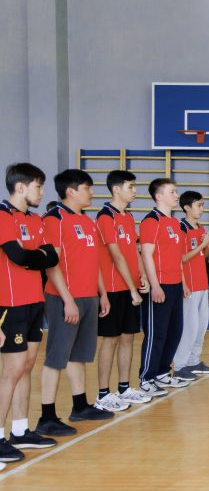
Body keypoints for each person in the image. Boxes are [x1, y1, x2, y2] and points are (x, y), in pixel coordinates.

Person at [37, 169, 113, 437]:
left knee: (78, 354)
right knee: (56, 357)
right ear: (71, 191)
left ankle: (80, 406)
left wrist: (102, 293)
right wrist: (67, 299)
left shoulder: (87, 221)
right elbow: (51, 264)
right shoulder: (54, 219)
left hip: (88, 296)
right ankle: (46, 416)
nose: (91, 193)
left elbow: (94, 262)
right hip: (64, 298)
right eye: (87, 188)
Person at [0, 163, 59, 460]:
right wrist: (34, 256)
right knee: (12, 370)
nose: (42, 192)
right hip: (9, 304)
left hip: (34, 301)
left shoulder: (35, 220)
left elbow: (52, 257)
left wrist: (31, 256)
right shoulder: (2, 216)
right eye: (38, 186)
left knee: (26, 366)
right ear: (21, 187)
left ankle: (21, 430)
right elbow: (17, 255)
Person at [94, 170, 150, 412]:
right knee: (111, 339)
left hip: (131, 286)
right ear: (116, 189)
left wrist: (143, 275)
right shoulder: (105, 216)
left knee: (128, 337)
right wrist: (132, 288)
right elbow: (116, 256)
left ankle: (124, 387)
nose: (134, 191)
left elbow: (134, 251)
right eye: (130, 186)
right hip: (113, 288)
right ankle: (103, 394)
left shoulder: (128, 217)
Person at [138, 178, 189, 395]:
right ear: (159, 196)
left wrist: (183, 282)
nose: (176, 196)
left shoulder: (175, 223)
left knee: (174, 331)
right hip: (160, 285)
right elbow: (146, 255)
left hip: (175, 284)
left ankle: (161, 372)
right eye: (172, 192)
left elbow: (177, 256)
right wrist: (155, 285)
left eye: (176, 192)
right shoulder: (151, 221)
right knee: (156, 333)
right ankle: (146, 378)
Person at [172, 190, 209, 381]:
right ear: (187, 207)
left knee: (201, 326)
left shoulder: (200, 227)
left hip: (202, 283)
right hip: (189, 284)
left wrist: (206, 245)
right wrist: (202, 245)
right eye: (199, 205)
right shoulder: (181, 228)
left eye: (203, 205)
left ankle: (193, 361)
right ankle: (179, 365)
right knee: (189, 327)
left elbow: (201, 256)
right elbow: (181, 258)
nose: (202, 209)